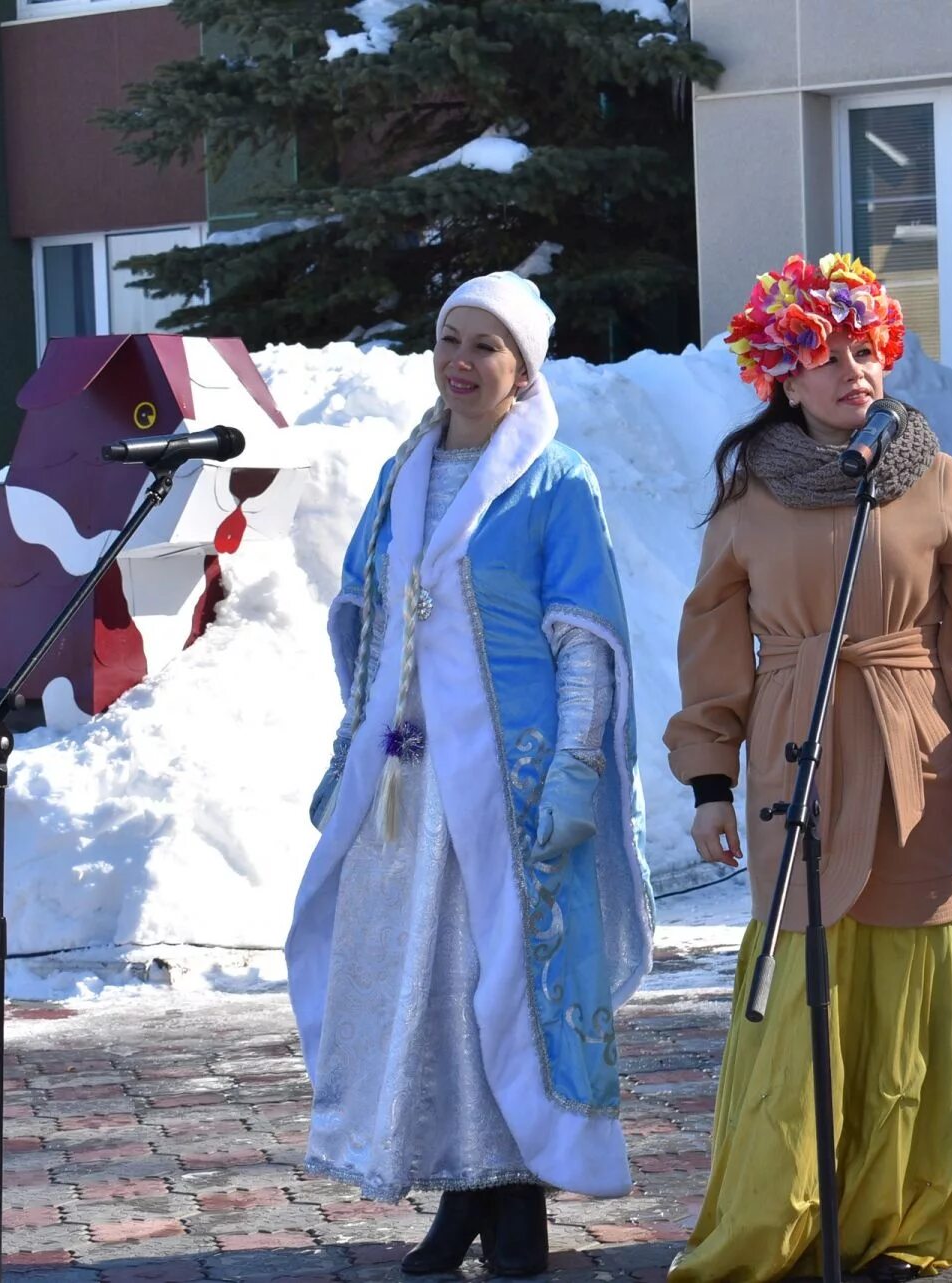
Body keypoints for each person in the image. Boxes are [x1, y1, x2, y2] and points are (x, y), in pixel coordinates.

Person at [287, 273, 654, 1277]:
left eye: (485, 344)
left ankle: (513, 1196)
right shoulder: (403, 469)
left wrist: (579, 768)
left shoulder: (557, 481)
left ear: (523, 366)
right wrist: (349, 746)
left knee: (506, 984)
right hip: (407, 780)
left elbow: (584, 638)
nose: (460, 360)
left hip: (510, 778)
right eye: (448, 338)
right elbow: (368, 622)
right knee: (435, 988)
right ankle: (467, 1188)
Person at [664, 252, 952, 1282]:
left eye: (866, 350)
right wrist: (708, 781)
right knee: (803, 978)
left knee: (914, 984)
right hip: (796, 753)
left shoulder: (936, 475)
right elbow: (713, 642)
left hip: (920, 747)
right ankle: (784, 1212)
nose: (853, 371)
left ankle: (903, 1221)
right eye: (826, 355)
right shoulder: (749, 494)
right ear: (783, 371)